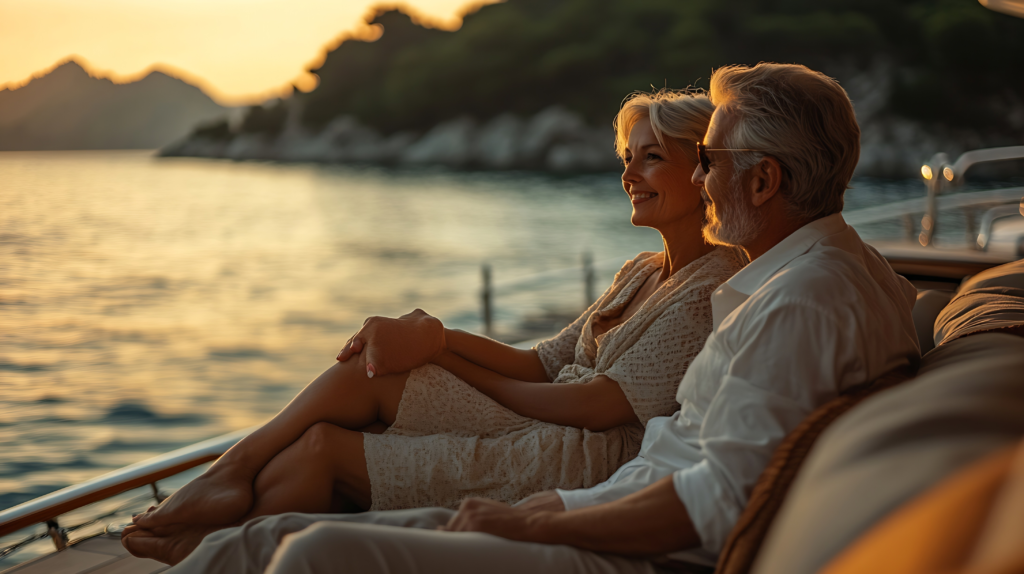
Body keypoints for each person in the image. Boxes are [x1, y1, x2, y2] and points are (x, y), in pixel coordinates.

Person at [157, 61, 922, 574]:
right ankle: (226, 494)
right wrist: (557, 506)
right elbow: (580, 378)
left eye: (706, 161)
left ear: (762, 181)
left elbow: (715, 502)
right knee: (274, 538)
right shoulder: (843, 277)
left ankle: (224, 492)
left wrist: (539, 521)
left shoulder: (800, 304)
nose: (698, 175)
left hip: (625, 546)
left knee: (308, 554)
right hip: (606, 507)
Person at [122, 89, 747, 564]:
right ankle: (227, 497)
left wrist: (442, 353)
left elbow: (597, 404)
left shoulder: (711, 288)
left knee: (325, 445)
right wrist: (434, 340)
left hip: (580, 458)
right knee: (371, 364)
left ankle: (218, 541)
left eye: (652, 158)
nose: (628, 174)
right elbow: (542, 362)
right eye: (627, 157)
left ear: (703, 170)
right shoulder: (641, 270)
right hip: (542, 418)